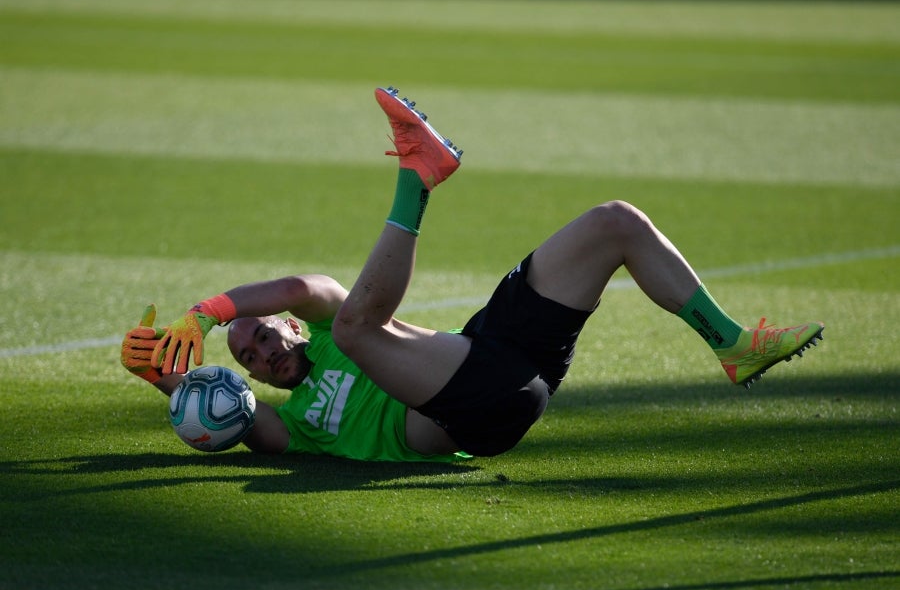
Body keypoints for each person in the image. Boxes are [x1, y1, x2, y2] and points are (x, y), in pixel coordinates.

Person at [121, 86, 825, 461]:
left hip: (500, 358)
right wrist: (164, 379)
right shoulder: (296, 423)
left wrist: (208, 311)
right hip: (469, 414)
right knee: (367, 330)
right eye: (249, 360)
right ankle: (418, 177)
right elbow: (238, 427)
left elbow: (301, 290)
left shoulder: (329, 321)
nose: (263, 356)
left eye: (263, 339)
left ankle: (732, 342)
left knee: (614, 221)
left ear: (286, 328)